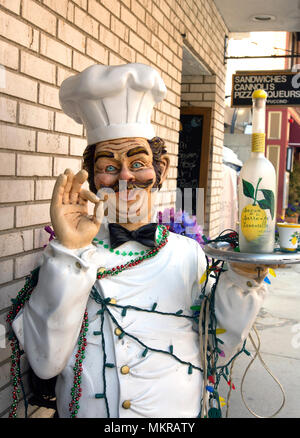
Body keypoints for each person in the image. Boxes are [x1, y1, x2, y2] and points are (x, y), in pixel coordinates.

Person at [12, 63, 269, 418]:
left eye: (138, 162)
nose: (126, 177)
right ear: (92, 179)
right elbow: (44, 363)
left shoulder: (189, 254)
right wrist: (68, 251)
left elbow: (219, 342)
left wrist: (241, 279)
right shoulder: (71, 257)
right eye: (110, 166)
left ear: (160, 168)